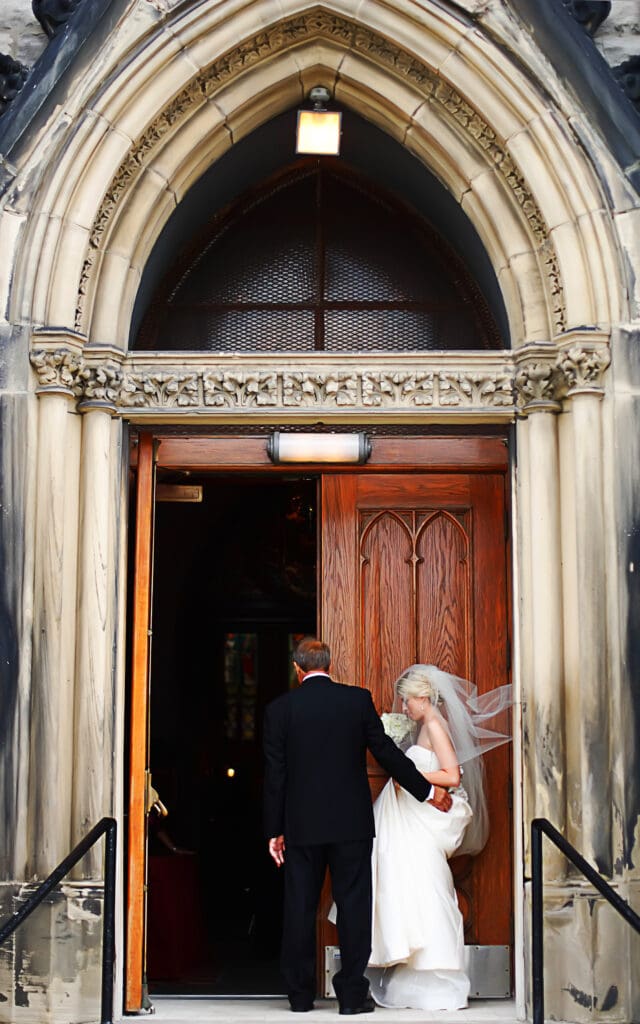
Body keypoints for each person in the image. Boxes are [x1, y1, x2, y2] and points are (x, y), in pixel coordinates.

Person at [263, 638, 453, 1015]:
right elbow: (385, 751)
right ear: (329, 665)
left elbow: (275, 775)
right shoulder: (356, 700)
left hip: (301, 825)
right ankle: (351, 996)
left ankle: (299, 998)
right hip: (351, 823)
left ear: (297, 668)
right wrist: (427, 790)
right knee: (354, 906)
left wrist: (274, 830)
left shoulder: (280, 709)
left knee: (299, 908)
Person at [366, 663, 512, 1011]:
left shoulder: (434, 725)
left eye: (407, 701)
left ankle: (440, 977)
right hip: (409, 821)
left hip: (420, 823)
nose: (404, 708)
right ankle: (415, 976)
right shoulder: (423, 727)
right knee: (410, 889)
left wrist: (409, 773)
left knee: (428, 888)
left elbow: (452, 775)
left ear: (423, 697)